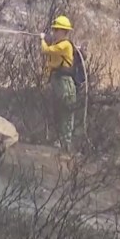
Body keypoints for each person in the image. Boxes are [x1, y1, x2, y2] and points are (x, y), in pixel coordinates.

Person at [39, 15, 77, 152]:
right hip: (57, 81)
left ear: (64, 31)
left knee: (66, 112)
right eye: (54, 30)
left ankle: (66, 144)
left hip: (65, 83)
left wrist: (42, 39)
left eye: (56, 30)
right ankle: (59, 141)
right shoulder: (59, 44)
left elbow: (45, 50)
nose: (54, 32)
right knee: (58, 112)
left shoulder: (65, 45)